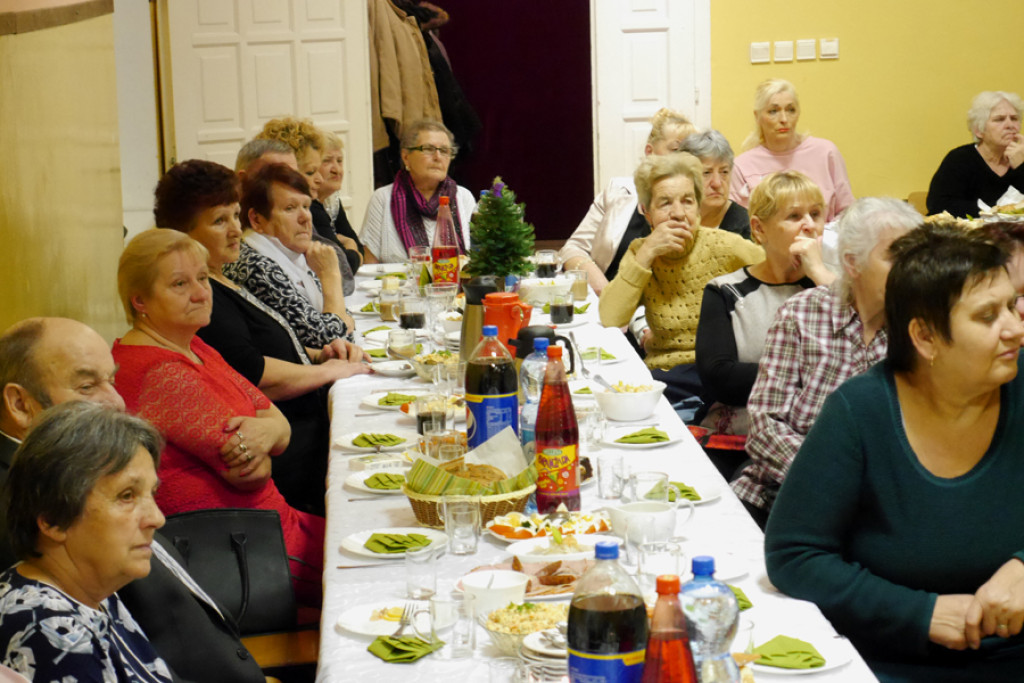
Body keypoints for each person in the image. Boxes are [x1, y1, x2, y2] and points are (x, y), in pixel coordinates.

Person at [765, 223, 1024, 681]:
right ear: (925, 338)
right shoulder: (860, 411)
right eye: (987, 316)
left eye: (1012, 306)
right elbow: (795, 554)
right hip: (888, 664)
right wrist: (919, 613)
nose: (1015, 329)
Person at [0, 317, 267, 683]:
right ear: (20, 403)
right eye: (87, 385)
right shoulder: (31, 509)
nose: (116, 401)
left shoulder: (92, 585)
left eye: (111, 379)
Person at [113, 229, 325, 607]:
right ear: (140, 300)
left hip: (271, 528)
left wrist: (270, 430)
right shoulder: (158, 372)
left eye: (202, 278)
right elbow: (251, 474)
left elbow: (275, 417)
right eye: (180, 283)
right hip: (245, 556)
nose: (200, 292)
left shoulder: (192, 344)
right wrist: (270, 432)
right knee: (395, 559)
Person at [155, 159, 371, 513]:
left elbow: (272, 340)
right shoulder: (200, 299)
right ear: (184, 232)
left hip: (303, 431)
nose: (235, 230)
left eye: (234, 216)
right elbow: (252, 372)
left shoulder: (222, 277)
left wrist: (320, 354)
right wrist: (328, 371)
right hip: (295, 459)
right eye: (219, 221)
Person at [732, 197, 922, 528]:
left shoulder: (923, 333)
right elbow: (764, 426)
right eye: (896, 255)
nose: (912, 268)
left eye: (917, 256)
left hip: (874, 514)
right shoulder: (801, 314)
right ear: (852, 263)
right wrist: (832, 480)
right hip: (776, 495)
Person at [0, 402, 173, 681]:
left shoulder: (92, 592)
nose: (157, 518)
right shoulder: (43, 623)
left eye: (152, 493)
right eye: (127, 496)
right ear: (53, 518)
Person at [599, 153, 763, 407]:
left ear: (699, 207)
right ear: (647, 212)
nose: (678, 213)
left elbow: (775, 270)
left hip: (715, 375)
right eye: (665, 203)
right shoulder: (639, 251)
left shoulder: (725, 246)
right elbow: (610, 317)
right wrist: (646, 256)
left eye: (687, 201)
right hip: (664, 377)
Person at [695, 171, 832, 443]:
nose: (809, 225)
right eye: (794, 216)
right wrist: (814, 375)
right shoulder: (725, 291)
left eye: (815, 214)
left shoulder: (835, 285)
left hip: (821, 437)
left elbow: (859, 368)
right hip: (738, 437)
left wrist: (819, 274)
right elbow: (720, 378)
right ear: (759, 228)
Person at [560, 108, 698, 295]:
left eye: (690, 152)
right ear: (650, 152)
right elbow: (573, 249)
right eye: (676, 149)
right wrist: (605, 291)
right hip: (606, 306)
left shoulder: (694, 206)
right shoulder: (617, 192)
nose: (683, 159)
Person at [224, 163, 357, 349]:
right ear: (257, 219)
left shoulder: (293, 254)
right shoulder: (255, 265)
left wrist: (341, 322)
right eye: (290, 208)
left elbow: (344, 324)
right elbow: (332, 341)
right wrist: (331, 276)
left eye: (306, 206)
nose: (305, 218)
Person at [730, 79, 854, 222]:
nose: (784, 119)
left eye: (790, 110)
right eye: (773, 111)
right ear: (757, 116)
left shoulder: (826, 153)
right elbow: (739, 225)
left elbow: (848, 214)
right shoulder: (742, 166)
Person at [361, 118, 476, 263]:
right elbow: (369, 267)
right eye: (428, 149)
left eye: (445, 151)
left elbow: (476, 261)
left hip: (454, 284)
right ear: (406, 157)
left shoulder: (463, 197)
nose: (438, 157)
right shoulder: (383, 198)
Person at [927, 91, 1024, 218]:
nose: (1010, 125)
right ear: (979, 130)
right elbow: (938, 205)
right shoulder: (960, 159)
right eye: (999, 119)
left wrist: (1022, 168)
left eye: (1014, 118)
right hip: (970, 235)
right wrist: (996, 211)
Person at [680, 129, 752, 239]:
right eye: (706, 173)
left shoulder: (747, 228)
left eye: (724, 172)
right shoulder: (674, 218)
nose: (717, 183)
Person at [312, 130, 365, 272]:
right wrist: (349, 244)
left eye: (339, 161)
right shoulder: (310, 206)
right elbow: (343, 264)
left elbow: (359, 249)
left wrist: (350, 244)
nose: (337, 169)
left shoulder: (331, 200)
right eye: (327, 161)